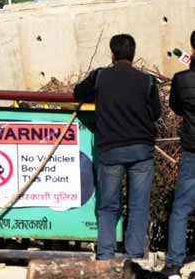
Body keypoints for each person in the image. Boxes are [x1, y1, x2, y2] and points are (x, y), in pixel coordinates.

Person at [73, 34, 161, 262]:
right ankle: (134, 258)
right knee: (139, 206)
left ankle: (105, 256)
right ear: (133, 54)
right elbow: (156, 113)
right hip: (141, 150)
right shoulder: (147, 80)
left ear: (112, 54)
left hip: (110, 150)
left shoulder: (100, 77)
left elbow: (78, 92)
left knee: (108, 206)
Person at [163, 29, 195, 279]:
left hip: (192, 149)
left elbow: (175, 106)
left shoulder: (182, 79)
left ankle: (174, 263)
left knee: (181, 207)